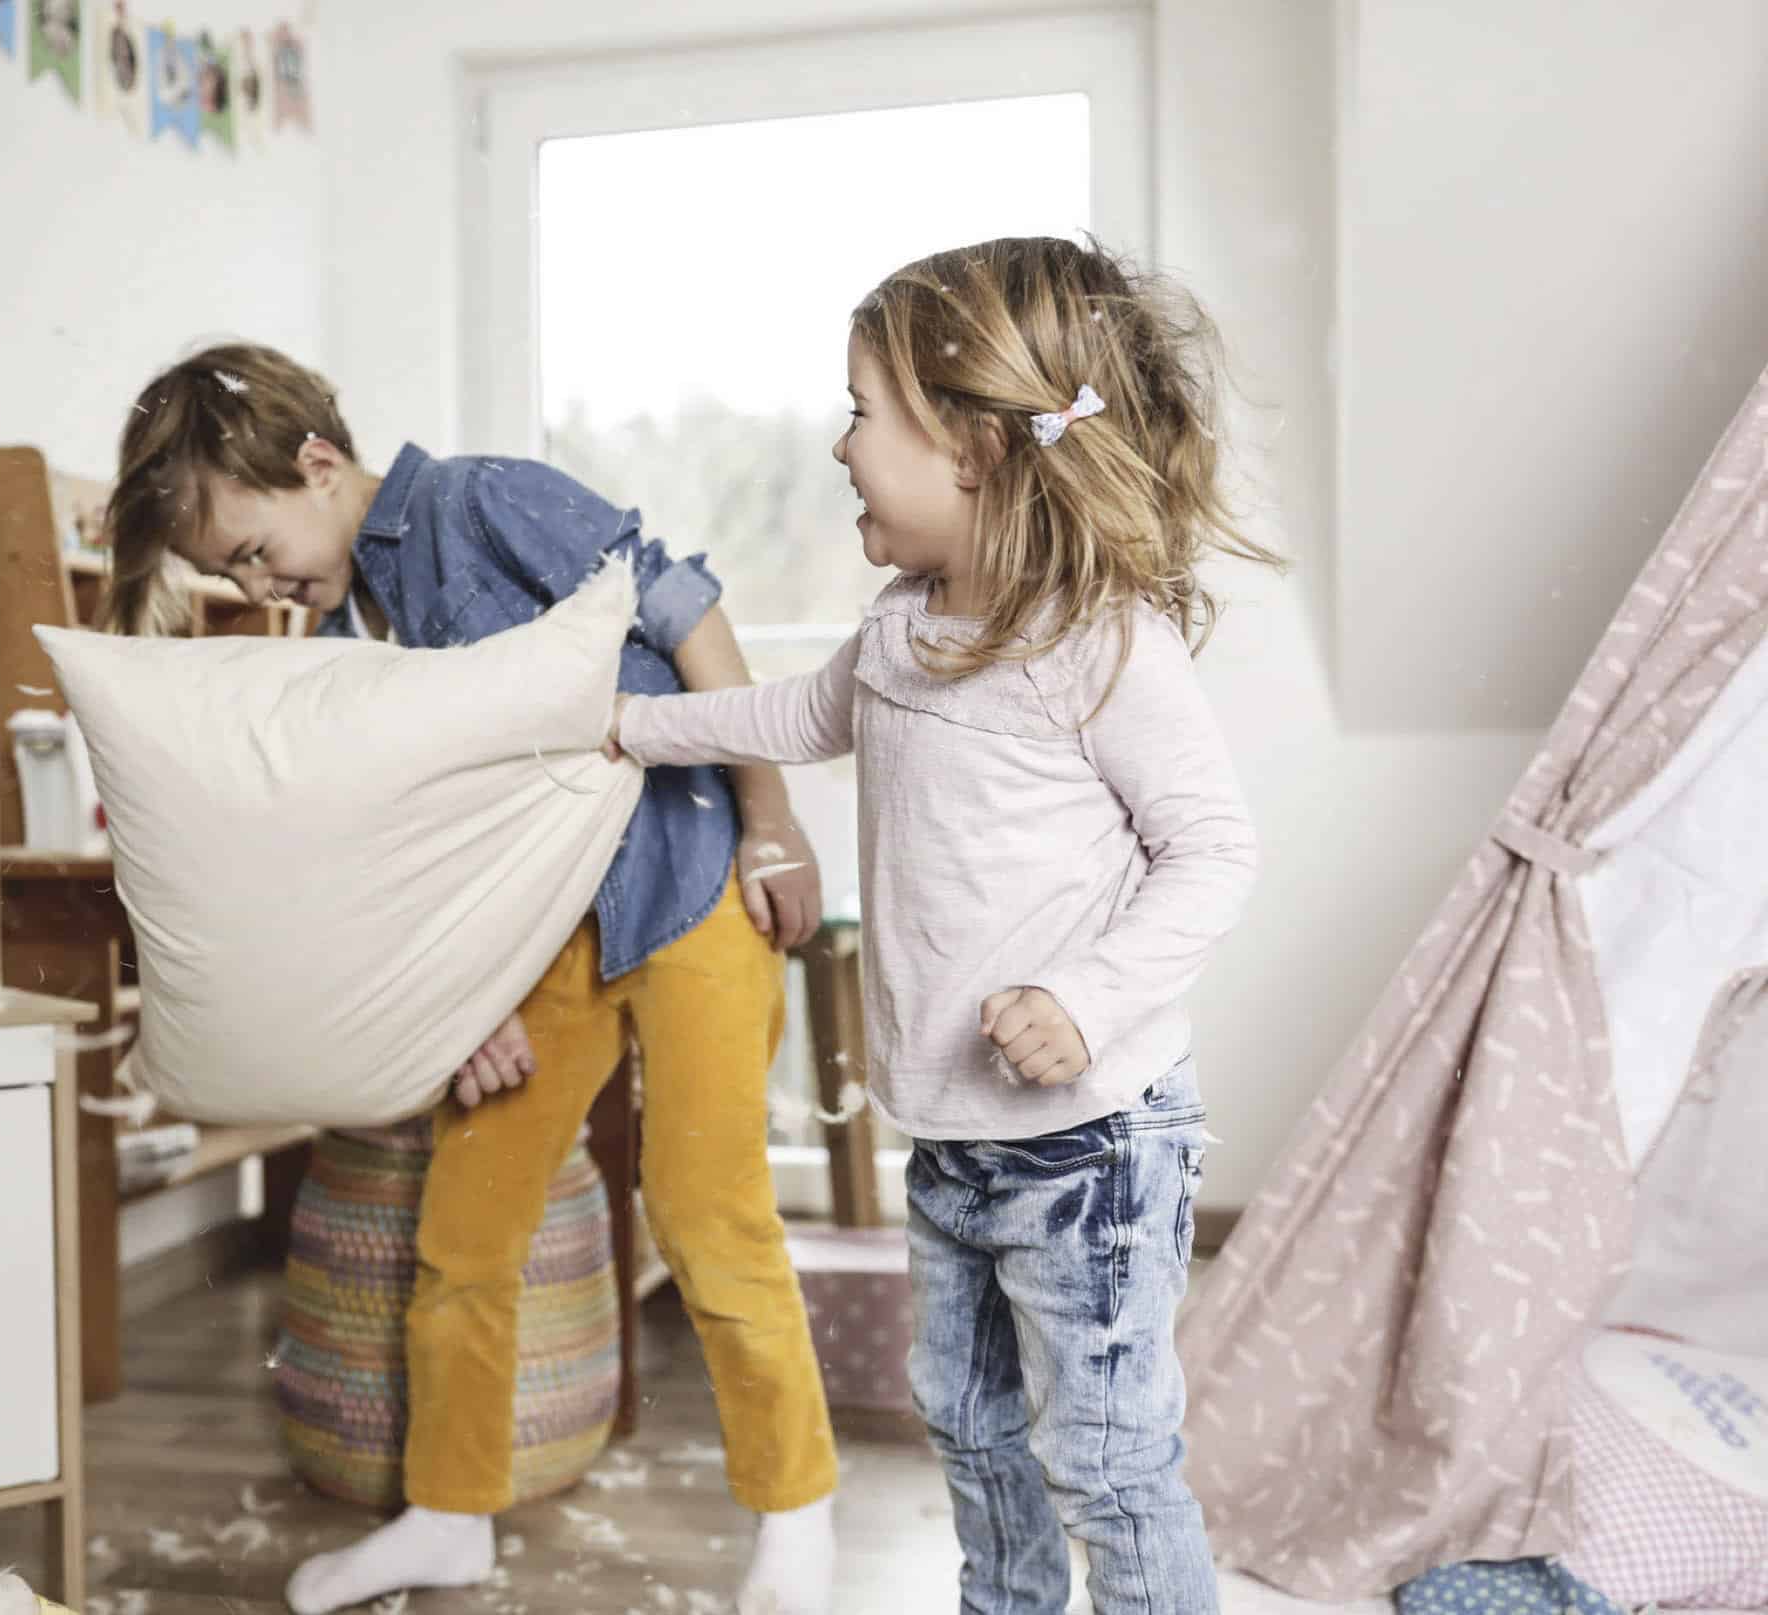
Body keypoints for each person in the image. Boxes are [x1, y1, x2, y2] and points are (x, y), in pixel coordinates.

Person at [97, 343, 841, 1615]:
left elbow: (687, 617)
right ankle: (449, 1515)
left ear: (317, 464)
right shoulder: (340, 634)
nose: (257, 582)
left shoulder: (485, 501)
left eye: (253, 547)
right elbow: (411, 848)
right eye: (230, 574)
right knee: (463, 1236)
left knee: (709, 1214)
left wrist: (771, 820)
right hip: (532, 944)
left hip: (688, 877)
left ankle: (797, 1525)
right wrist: (467, 998)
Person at [606, 236, 1280, 1613]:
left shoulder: (1098, 640)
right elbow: (794, 713)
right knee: (973, 1439)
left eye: (862, 409)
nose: (840, 442)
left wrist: (1088, 996)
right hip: (956, 1141)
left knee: (1104, 1454)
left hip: (1092, 1141)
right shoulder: (906, 628)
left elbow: (1212, 851)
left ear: (972, 446)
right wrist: (629, 725)